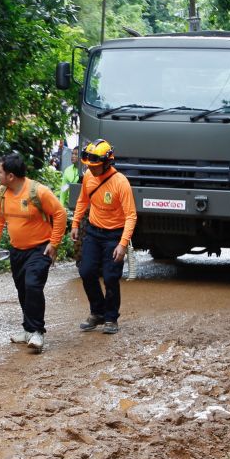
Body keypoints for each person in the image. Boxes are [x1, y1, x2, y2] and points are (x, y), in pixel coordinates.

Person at [0, 152, 67, 353]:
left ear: (10, 176)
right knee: (23, 289)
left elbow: (60, 213)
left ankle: (37, 331)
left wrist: (54, 243)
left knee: (32, 285)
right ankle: (28, 329)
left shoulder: (38, 192)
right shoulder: (1, 193)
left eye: (0, 172)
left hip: (40, 249)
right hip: (17, 250)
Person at [72, 138, 137, 334]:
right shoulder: (88, 177)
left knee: (110, 277)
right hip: (93, 232)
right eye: (89, 166)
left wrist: (122, 244)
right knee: (86, 272)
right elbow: (82, 201)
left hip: (114, 236)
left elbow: (131, 216)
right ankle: (97, 312)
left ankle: (111, 318)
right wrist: (75, 223)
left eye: (95, 166)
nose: (91, 169)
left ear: (107, 163)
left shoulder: (120, 182)